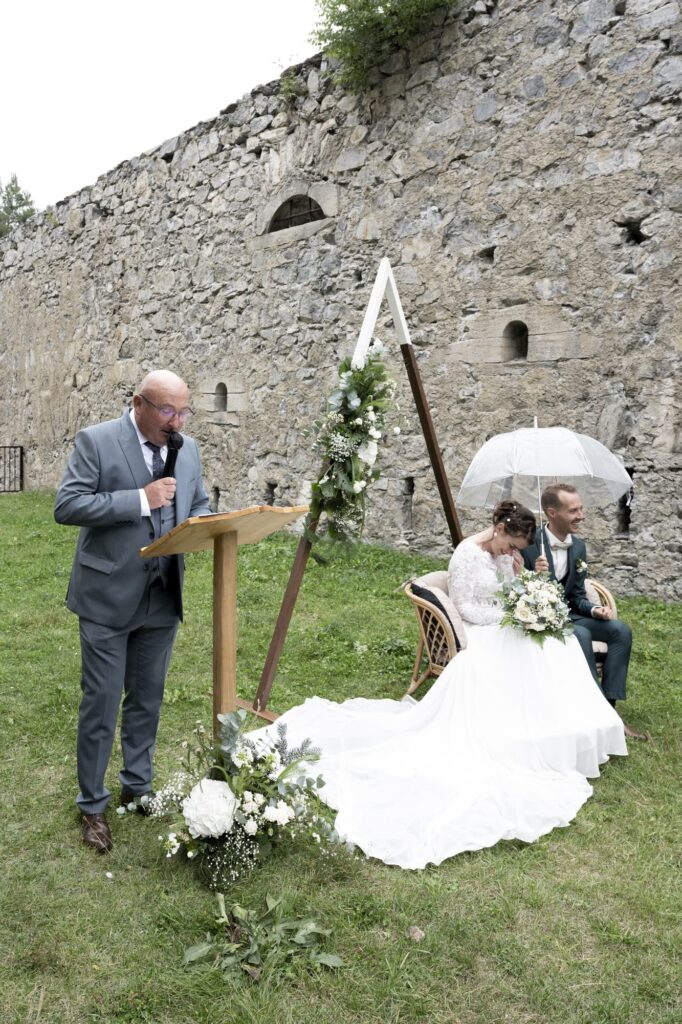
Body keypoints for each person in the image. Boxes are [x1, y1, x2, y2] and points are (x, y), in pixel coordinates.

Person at [249, 501, 627, 870]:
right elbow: (465, 608)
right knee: (528, 648)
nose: (512, 552)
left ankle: (560, 725)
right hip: (482, 631)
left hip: (504, 623)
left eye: (517, 549)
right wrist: (513, 615)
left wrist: (522, 581)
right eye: (511, 545)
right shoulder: (466, 556)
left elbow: (510, 589)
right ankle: (517, 730)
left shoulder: (504, 555)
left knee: (553, 644)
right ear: (498, 529)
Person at [55, 370, 212, 853]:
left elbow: (199, 503)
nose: (177, 421)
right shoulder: (97, 441)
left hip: (163, 595)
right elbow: (68, 504)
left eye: (184, 411)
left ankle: (137, 786)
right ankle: (93, 805)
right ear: (138, 403)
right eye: (167, 410)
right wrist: (139, 500)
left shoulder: (188, 450)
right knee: (101, 704)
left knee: (148, 697)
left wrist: (207, 526)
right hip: (107, 596)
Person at [521, 484, 643, 740]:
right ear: (552, 513)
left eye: (581, 508)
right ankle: (594, 712)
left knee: (620, 631)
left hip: (572, 614)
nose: (581, 515)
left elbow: (576, 595)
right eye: (573, 510)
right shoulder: (530, 545)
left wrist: (595, 608)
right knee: (582, 636)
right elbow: (519, 592)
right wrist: (536, 576)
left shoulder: (579, 547)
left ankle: (611, 712)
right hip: (544, 618)